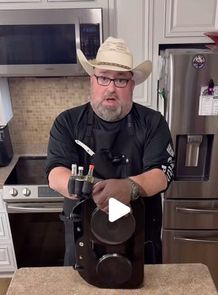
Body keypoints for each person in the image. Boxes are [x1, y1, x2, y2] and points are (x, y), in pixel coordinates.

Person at [46, 37, 174, 266]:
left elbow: (162, 174)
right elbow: (56, 172)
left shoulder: (153, 123)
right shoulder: (67, 122)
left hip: (140, 244)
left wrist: (130, 186)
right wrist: (76, 185)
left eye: (121, 80)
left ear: (132, 84)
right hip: (83, 243)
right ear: (92, 80)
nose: (111, 88)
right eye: (104, 77)